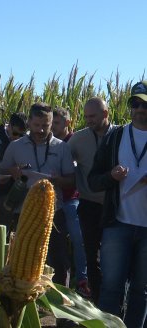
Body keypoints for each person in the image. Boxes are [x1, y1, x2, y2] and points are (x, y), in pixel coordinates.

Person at [88, 81, 147, 327]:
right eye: (135, 103)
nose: (140, 109)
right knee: (111, 287)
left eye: (144, 104)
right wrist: (110, 177)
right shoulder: (115, 137)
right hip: (117, 224)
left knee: (141, 291)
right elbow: (93, 180)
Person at [0, 102, 75, 286]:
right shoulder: (16, 147)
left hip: (53, 212)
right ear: (30, 122)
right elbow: (0, 174)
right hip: (23, 211)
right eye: (37, 125)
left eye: (46, 126)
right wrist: (13, 171)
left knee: (58, 260)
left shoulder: (62, 148)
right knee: (23, 260)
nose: (41, 130)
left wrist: (59, 180)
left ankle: (60, 308)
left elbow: (72, 181)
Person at [68, 97, 116, 303]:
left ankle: (114, 304)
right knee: (92, 257)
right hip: (89, 206)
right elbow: (64, 162)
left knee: (114, 258)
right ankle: (96, 302)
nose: (89, 120)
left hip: (116, 206)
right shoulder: (78, 139)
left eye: (93, 116)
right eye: (86, 116)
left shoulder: (121, 135)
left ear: (105, 114)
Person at [51, 107, 90, 297]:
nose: (51, 127)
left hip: (71, 198)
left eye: (55, 123)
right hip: (53, 200)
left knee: (78, 239)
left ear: (67, 123)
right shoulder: (49, 143)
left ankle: (82, 279)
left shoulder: (74, 141)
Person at [0, 111, 27, 231]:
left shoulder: (26, 141)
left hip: (10, 196)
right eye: (15, 133)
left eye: (22, 135)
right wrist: (8, 171)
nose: (18, 138)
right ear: (8, 126)